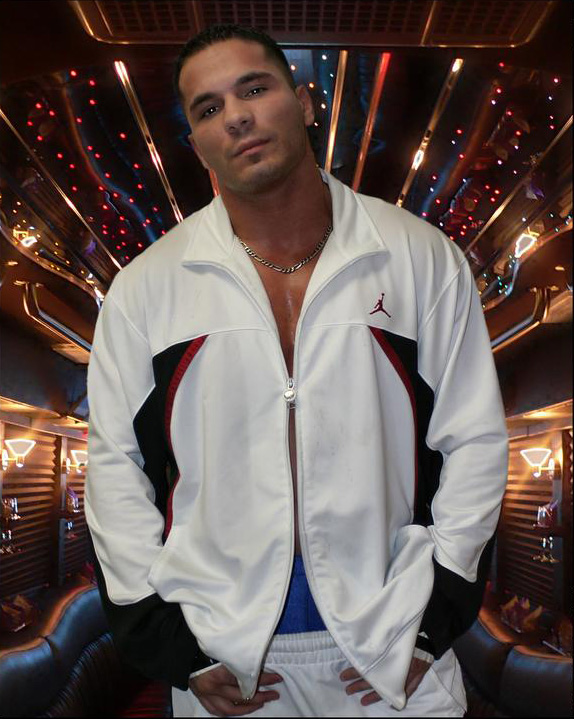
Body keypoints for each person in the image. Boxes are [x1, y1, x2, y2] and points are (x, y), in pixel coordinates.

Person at [85, 23, 508, 718]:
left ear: (306, 102)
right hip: (226, 652)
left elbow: (475, 441)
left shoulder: (419, 257)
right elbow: (114, 468)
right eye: (209, 108)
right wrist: (170, 645)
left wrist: (435, 618)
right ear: (196, 144)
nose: (236, 116)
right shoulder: (145, 289)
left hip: (393, 641)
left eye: (254, 89)